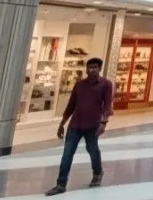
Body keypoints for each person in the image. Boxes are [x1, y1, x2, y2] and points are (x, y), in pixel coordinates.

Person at [46, 57, 112, 195]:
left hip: (93, 125)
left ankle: (97, 172)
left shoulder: (106, 84)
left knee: (92, 150)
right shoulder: (79, 85)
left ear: (100, 69)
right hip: (75, 125)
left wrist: (103, 123)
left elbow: (107, 106)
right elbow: (71, 105)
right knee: (67, 154)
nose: (91, 70)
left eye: (94, 67)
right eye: (89, 67)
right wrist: (62, 123)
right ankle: (61, 184)